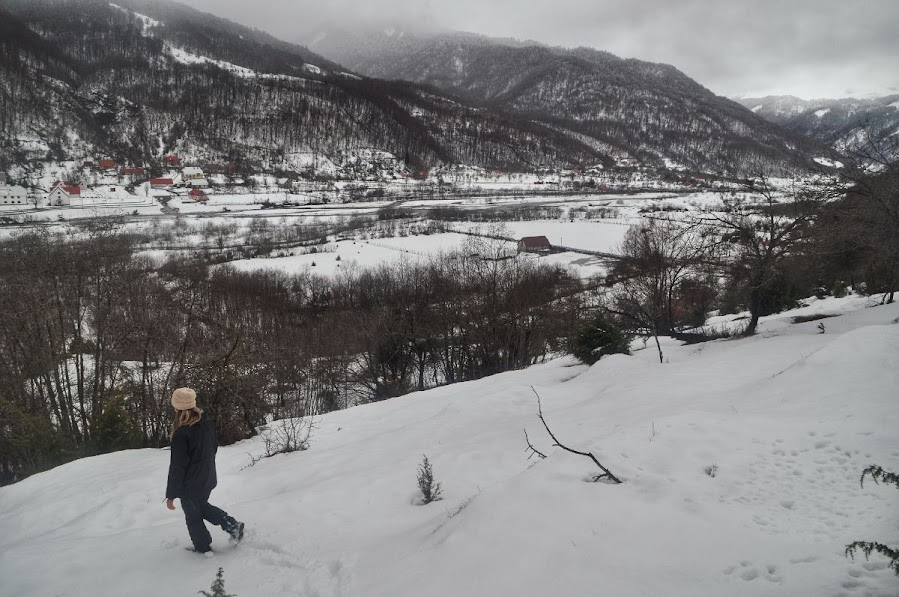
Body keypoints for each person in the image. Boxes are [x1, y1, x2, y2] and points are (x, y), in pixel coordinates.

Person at [166, 387, 244, 555]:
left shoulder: (182, 433)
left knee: (193, 516)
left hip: (191, 484)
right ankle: (232, 525)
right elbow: (213, 448)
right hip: (207, 477)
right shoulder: (206, 422)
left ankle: (203, 547)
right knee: (200, 507)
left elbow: (177, 466)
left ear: (178, 407)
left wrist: (171, 494)